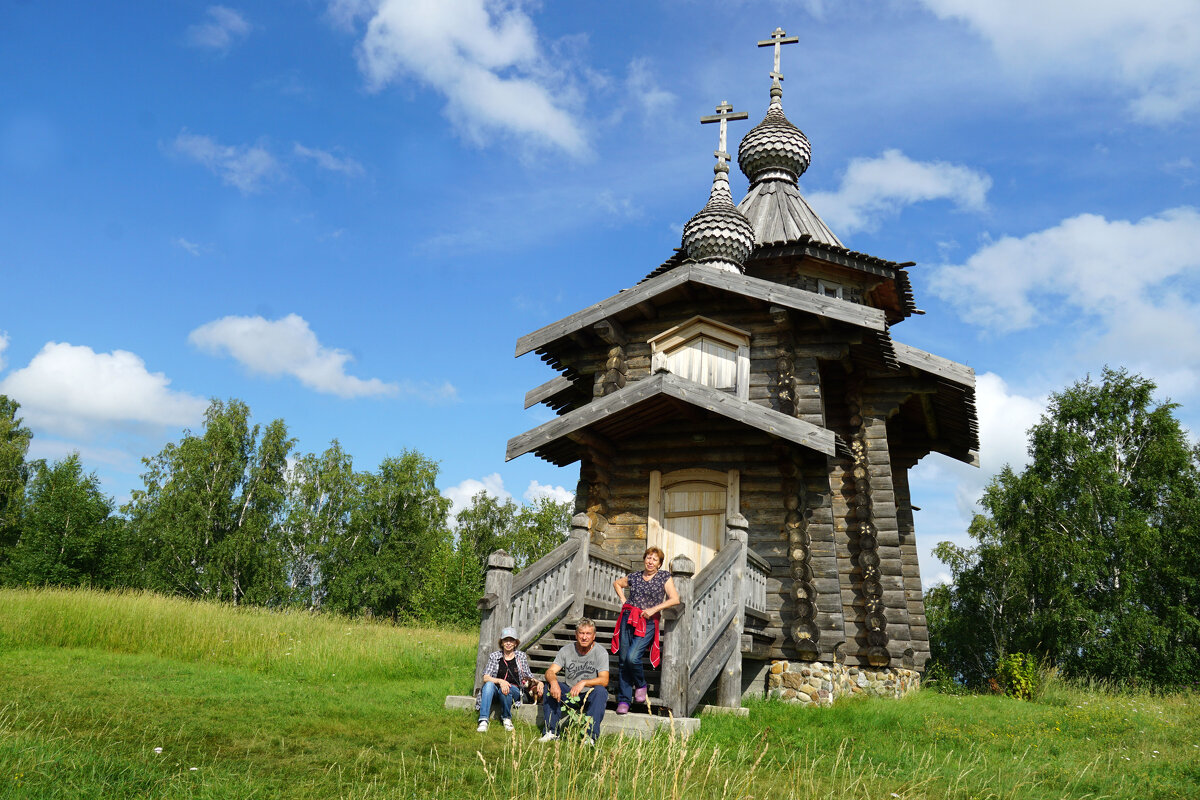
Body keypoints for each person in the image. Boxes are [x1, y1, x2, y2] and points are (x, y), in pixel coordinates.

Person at [610, 546, 680, 714]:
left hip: (647, 622)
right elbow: (617, 583)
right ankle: (624, 701)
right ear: (644, 559)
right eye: (648, 558)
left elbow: (675, 599)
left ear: (659, 563)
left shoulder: (664, 577)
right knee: (623, 661)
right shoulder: (634, 576)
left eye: (654, 559)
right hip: (628, 618)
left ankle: (641, 684)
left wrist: (654, 609)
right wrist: (623, 599)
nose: (650, 561)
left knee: (632, 658)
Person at [539, 618, 609, 744]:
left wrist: (584, 682)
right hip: (570, 693)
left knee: (601, 691)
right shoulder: (566, 650)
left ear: (594, 636)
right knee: (549, 686)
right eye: (581, 633)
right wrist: (554, 683)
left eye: (588, 634)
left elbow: (604, 680)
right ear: (576, 635)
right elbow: (550, 672)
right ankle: (552, 732)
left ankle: (590, 737)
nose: (584, 637)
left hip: (590, 695)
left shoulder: (600, 652)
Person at [476, 626, 541, 732]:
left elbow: (528, 675)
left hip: (513, 690)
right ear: (501, 643)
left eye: (511, 640)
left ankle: (506, 718)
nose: (508, 643)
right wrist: (501, 681)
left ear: (516, 643)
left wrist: (539, 683)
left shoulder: (521, 656)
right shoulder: (495, 656)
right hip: (496, 689)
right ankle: (483, 720)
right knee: (488, 685)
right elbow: (486, 677)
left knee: (506, 689)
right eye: (505, 640)